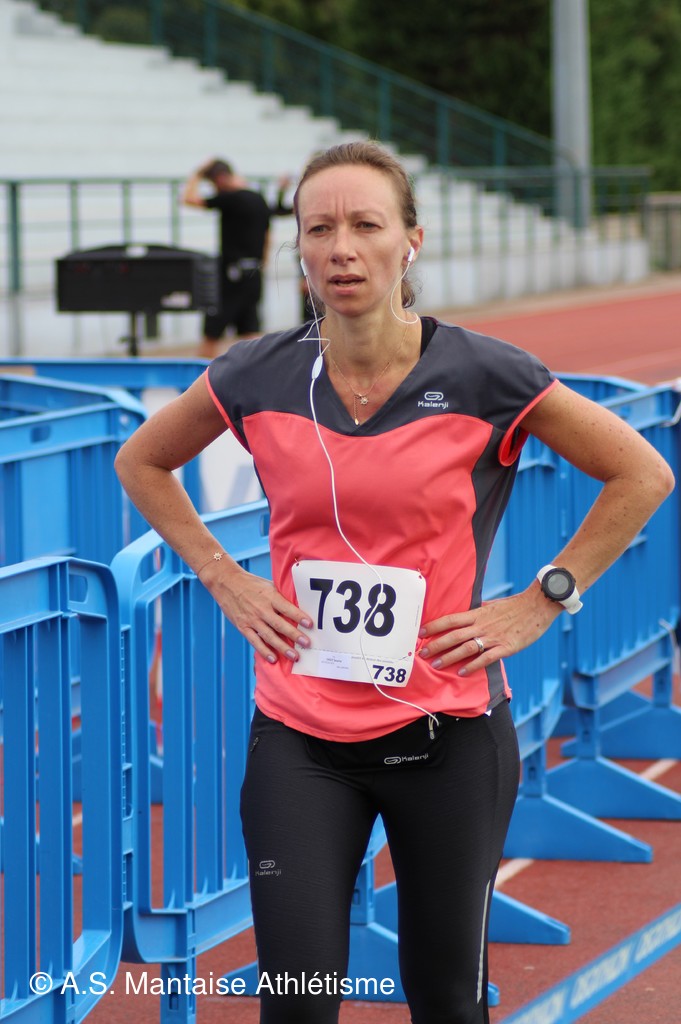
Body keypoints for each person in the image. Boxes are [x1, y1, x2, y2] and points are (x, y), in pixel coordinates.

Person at [116, 141, 674, 1024]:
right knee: (297, 1002)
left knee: (447, 1000)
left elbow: (641, 472)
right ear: (297, 249)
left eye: (365, 225)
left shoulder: (484, 374)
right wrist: (224, 579)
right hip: (299, 735)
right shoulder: (256, 373)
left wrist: (543, 599)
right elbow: (141, 460)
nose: (341, 248)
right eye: (319, 229)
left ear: (410, 242)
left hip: (447, 732)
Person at [181, 158, 293, 357]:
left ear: (220, 178)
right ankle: (255, 375)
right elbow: (268, 234)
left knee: (211, 333)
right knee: (250, 333)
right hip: (254, 273)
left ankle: (201, 374)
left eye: (213, 184)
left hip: (231, 276)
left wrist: (197, 173)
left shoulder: (230, 198)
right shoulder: (258, 199)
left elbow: (188, 199)